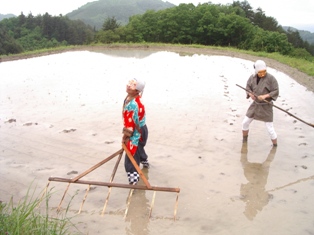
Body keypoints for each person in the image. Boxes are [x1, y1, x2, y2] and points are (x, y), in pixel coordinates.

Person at [242, 60, 279, 146]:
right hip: (255, 105)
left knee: (270, 129)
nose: (262, 74)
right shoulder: (252, 78)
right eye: (260, 72)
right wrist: (250, 94)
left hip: (266, 106)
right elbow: (248, 87)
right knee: (245, 123)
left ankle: (275, 146)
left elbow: (276, 91)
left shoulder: (271, 78)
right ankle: (244, 142)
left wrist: (265, 96)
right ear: (256, 70)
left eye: (264, 72)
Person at [122, 78, 149, 185]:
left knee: (130, 157)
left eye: (132, 85)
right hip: (142, 129)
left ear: (137, 90)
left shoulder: (132, 104)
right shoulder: (133, 98)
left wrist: (125, 138)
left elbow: (130, 126)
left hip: (136, 132)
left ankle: (133, 181)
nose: (128, 85)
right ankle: (145, 163)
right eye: (129, 83)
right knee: (139, 149)